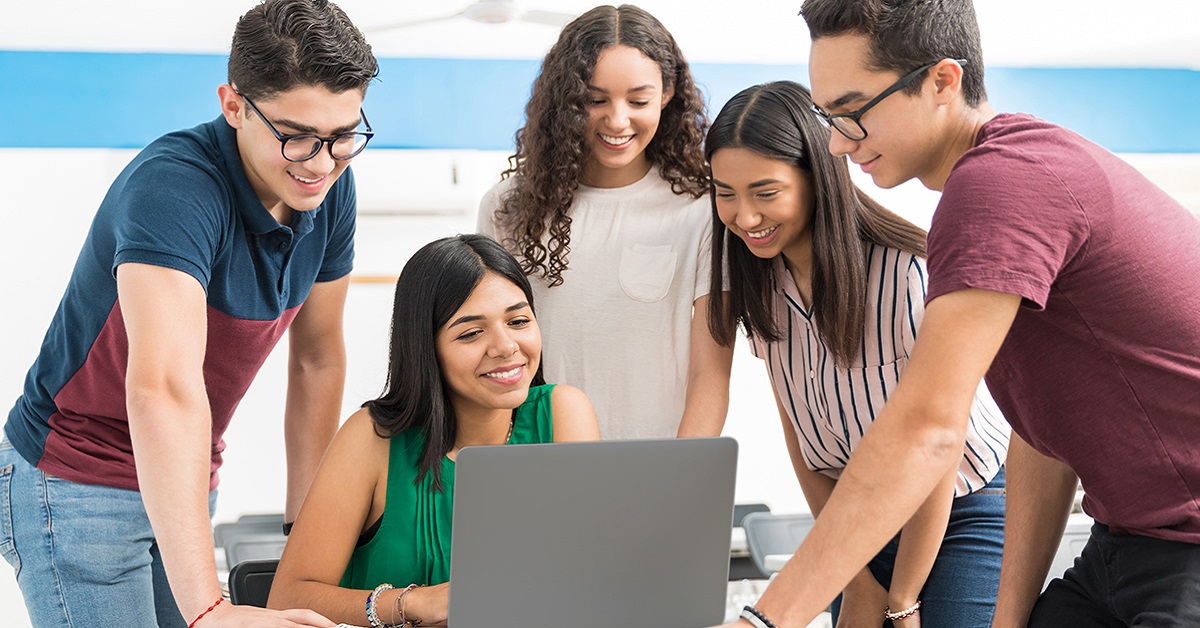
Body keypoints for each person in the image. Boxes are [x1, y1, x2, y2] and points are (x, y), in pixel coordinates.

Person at [716, 1, 1200, 627]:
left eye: (854, 113)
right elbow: (1041, 434)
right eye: (828, 116)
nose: (837, 143)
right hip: (1124, 542)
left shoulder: (1000, 183)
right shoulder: (1008, 183)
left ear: (942, 81)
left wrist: (764, 621)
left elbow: (926, 431)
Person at [0, 1, 378, 626]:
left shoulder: (331, 187)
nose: (320, 163)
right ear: (234, 105)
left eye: (343, 135)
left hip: (186, 475)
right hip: (75, 478)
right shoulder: (174, 188)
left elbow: (316, 358)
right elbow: (164, 388)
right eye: (295, 136)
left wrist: (304, 532)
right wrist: (208, 608)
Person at [707, 80, 1009, 628]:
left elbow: (937, 445)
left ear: (817, 179)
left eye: (766, 192)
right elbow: (804, 440)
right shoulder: (760, 288)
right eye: (725, 193)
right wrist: (856, 579)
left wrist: (904, 598)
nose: (745, 216)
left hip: (960, 507)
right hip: (860, 520)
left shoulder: (904, 275)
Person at [266, 234, 600, 626]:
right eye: (471, 333)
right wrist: (413, 604)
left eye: (519, 321)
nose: (506, 346)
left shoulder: (563, 413)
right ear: (426, 347)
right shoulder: (372, 438)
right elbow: (287, 600)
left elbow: (589, 580)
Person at [476, 4, 733, 440]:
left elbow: (710, 376)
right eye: (595, 100)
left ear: (668, 93)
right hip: (533, 458)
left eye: (638, 100)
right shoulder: (507, 207)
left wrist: (683, 480)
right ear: (568, 100)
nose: (617, 119)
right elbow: (489, 356)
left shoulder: (701, 210)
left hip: (655, 468)